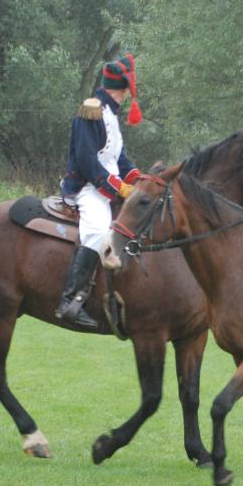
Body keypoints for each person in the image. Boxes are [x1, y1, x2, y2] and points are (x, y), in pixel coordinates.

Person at [55, 53, 143, 328]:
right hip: (87, 188)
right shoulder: (90, 110)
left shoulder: (111, 114)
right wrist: (119, 186)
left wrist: (138, 181)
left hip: (106, 185)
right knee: (99, 232)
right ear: (125, 88)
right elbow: (88, 162)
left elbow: (118, 157)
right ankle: (69, 301)